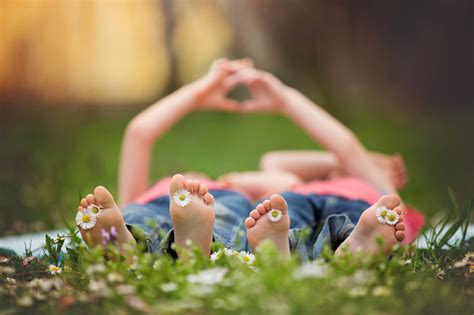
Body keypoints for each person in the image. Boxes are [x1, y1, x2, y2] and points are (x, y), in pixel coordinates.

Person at [75, 59, 421, 261]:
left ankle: (142, 247)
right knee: (292, 222)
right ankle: (337, 251)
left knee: (270, 212)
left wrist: (200, 93)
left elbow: (328, 156)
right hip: (318, 205)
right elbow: (290, 166)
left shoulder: (276, 188)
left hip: (317, 206)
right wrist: (284, 100)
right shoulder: (258, 189)